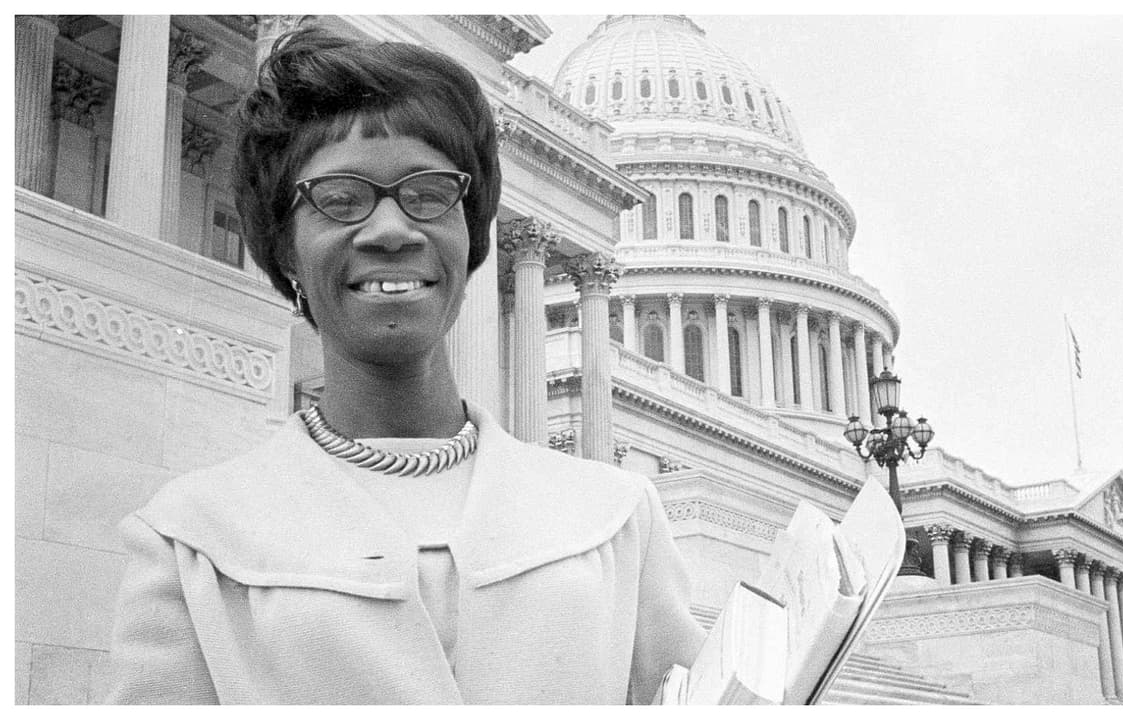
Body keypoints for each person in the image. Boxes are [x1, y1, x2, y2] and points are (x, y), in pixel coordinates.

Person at [105, 26, 704, 705]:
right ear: (285, 250)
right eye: (340, 197)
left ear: (470, 238)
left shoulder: (619, 519)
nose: (392, 229)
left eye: (428, 193)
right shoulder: (189, 540)